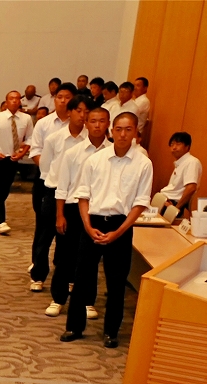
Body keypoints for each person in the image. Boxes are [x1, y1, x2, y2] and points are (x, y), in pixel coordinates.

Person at [60, 112, 151, 348]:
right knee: (81, 279)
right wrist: (88, 227)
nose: (122, 134)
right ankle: (74, 327)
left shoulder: (143, 163)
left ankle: (111, 331)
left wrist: (119, 232)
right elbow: (82, 195)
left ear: (135, 132)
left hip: (121, 226)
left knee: (116, 283)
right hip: (92, 224)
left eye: (128, 129)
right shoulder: (95, 160)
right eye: (118, 129)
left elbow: (140, 202)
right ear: (112, 130)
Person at [47, 104, 110, 320]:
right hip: (73, 209)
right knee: (65, 257)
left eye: (102, 121)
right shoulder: (73, 153)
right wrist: (60, 214)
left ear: (108, 124)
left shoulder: (113, 154)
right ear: (86, 123)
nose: (97, 125)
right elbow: (62, 187)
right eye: (93, 121)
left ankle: (87, 301)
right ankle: (58, 299)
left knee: (90, 261)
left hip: (98, 210)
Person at [28, 83, 75, 288]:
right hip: (47, 182)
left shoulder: (80, 126)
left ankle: (63, 269)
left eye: (67, 97)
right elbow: (35, 151)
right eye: (59, 97)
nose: (63, 101)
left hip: (73, 187)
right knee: (44, 229)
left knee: (68, 231)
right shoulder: (45, 124)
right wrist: (52, 171)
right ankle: (38, 272)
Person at [0, 90, 33, 235]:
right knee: (0, 188)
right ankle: (1, 221)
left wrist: (22, 153)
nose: (15, 101)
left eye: (17, 99)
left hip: (13, 158)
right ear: (6, 101)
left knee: (4, 191)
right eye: (12, 99)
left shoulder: (26, 119)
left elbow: (30, 138)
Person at [156, 132, 202, 216]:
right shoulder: (180, 163)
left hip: (173, 203)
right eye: (172, 144)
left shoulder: (191, 162)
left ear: (187, 146)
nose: (174, 147)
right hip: (165, 200)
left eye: (178, 144)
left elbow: (191, 187)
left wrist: (176, 208)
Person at [131, 77, 152, 144]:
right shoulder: (135, 100)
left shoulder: (144, 101)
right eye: (134, 85)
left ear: (145, 88)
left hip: (135, 135)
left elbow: (130, 113)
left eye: (138, 85)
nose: (134, 88)